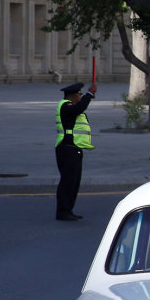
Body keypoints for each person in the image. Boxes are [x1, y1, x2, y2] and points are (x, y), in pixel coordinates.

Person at [54, 81, 96, 221]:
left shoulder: (70, 106)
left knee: (74, 182)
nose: (80, 96)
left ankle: (68, 209)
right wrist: (89, 94)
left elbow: (80, 108)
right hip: (67, 149)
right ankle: (63, 211)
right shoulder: (65, 106)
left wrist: (88, 96)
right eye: (79, 94)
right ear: (72, 96)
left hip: (74, 148)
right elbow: (79, 108)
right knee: (68, 182)